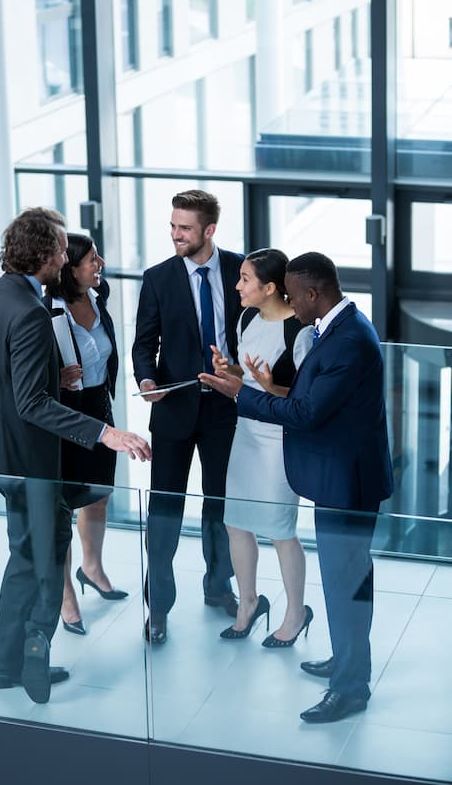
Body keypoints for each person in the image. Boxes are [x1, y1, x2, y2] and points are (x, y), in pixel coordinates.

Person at [0, 207, 151, 705]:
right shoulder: (30, 313)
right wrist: (105, 433)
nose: (67, 258)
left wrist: (50, 376)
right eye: (63, 250)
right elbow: (31, 404)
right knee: (46, 547)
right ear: (43, 254)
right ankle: (36, 646)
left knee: (27, 552)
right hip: (24, 457)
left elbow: (2, 373)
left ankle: (5, 665)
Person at [199, 252, 394, 723]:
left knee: (347, 583)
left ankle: (350, 687)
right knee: (344, 582)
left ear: (313, 293)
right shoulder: (337, 328)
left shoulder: (347, 340)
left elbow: (306, 412)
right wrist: (255, 384)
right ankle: (348, 660)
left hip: (347, 483)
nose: (289, 302)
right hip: (340, 478)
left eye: (294, 294)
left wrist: (240, 395)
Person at [132, 189, 242, 644]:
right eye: (173, 226)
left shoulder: (240, 270)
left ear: (209, 230)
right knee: (164, 511)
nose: (175, 234)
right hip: (173, 409)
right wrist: (145, 382)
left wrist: (239, 375)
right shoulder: (158, 278)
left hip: (224, 410)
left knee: (220, 505)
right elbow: (144, 344)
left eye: (185, 228)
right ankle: (157, 607)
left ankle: (218, 587)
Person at [212, 249, 314, 645]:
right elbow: (248, 376)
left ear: (269, 288)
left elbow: (305, 398)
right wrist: (229, 370)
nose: (237, 286)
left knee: (279, 530)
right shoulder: (247, 317)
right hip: (246, 432)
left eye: (245, 279)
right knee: (235, 522)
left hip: (278, 439)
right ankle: (249, 603)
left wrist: (270, 386)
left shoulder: (299, 331)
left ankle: (295, 612)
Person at [45, 233, 127, 636]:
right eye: (92, 259)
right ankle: (65, 596)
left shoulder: (99, 298)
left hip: (98, 407)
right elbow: (27, 373)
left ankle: (91, 568)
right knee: (62, 506)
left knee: (98, 495)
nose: (101, 264)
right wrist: (55, 378)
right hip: (62, 415)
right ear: (70, 267)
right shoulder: (47, 308)